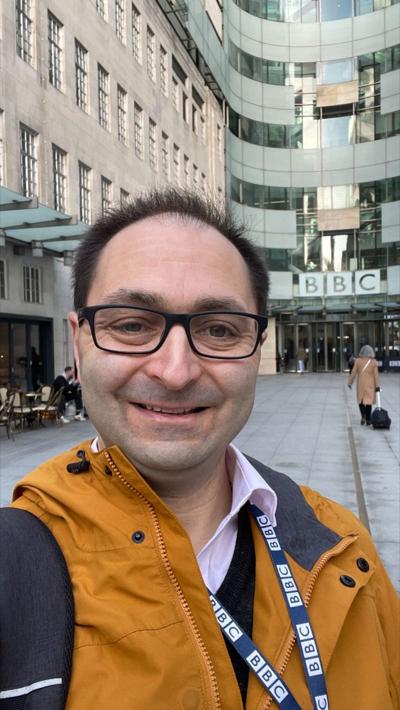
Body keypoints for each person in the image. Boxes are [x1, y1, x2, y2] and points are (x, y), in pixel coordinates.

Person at [6, 189, 399, 709]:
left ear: (256, 350)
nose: (176, 372)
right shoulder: (13, 573)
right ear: (79, 342)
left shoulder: (346, 551)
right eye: (131, 324)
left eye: (218, 330)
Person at [347, 345, 380, 426]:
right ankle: (368, 419)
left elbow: (353, 372)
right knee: (369, 402)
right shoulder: (374, 362)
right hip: (370, 384)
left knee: (361, 400)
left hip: (361, 384)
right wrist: (377, 386)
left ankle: (363, 416)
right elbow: (376, 375)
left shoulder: (358, 361)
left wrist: (350, 382)